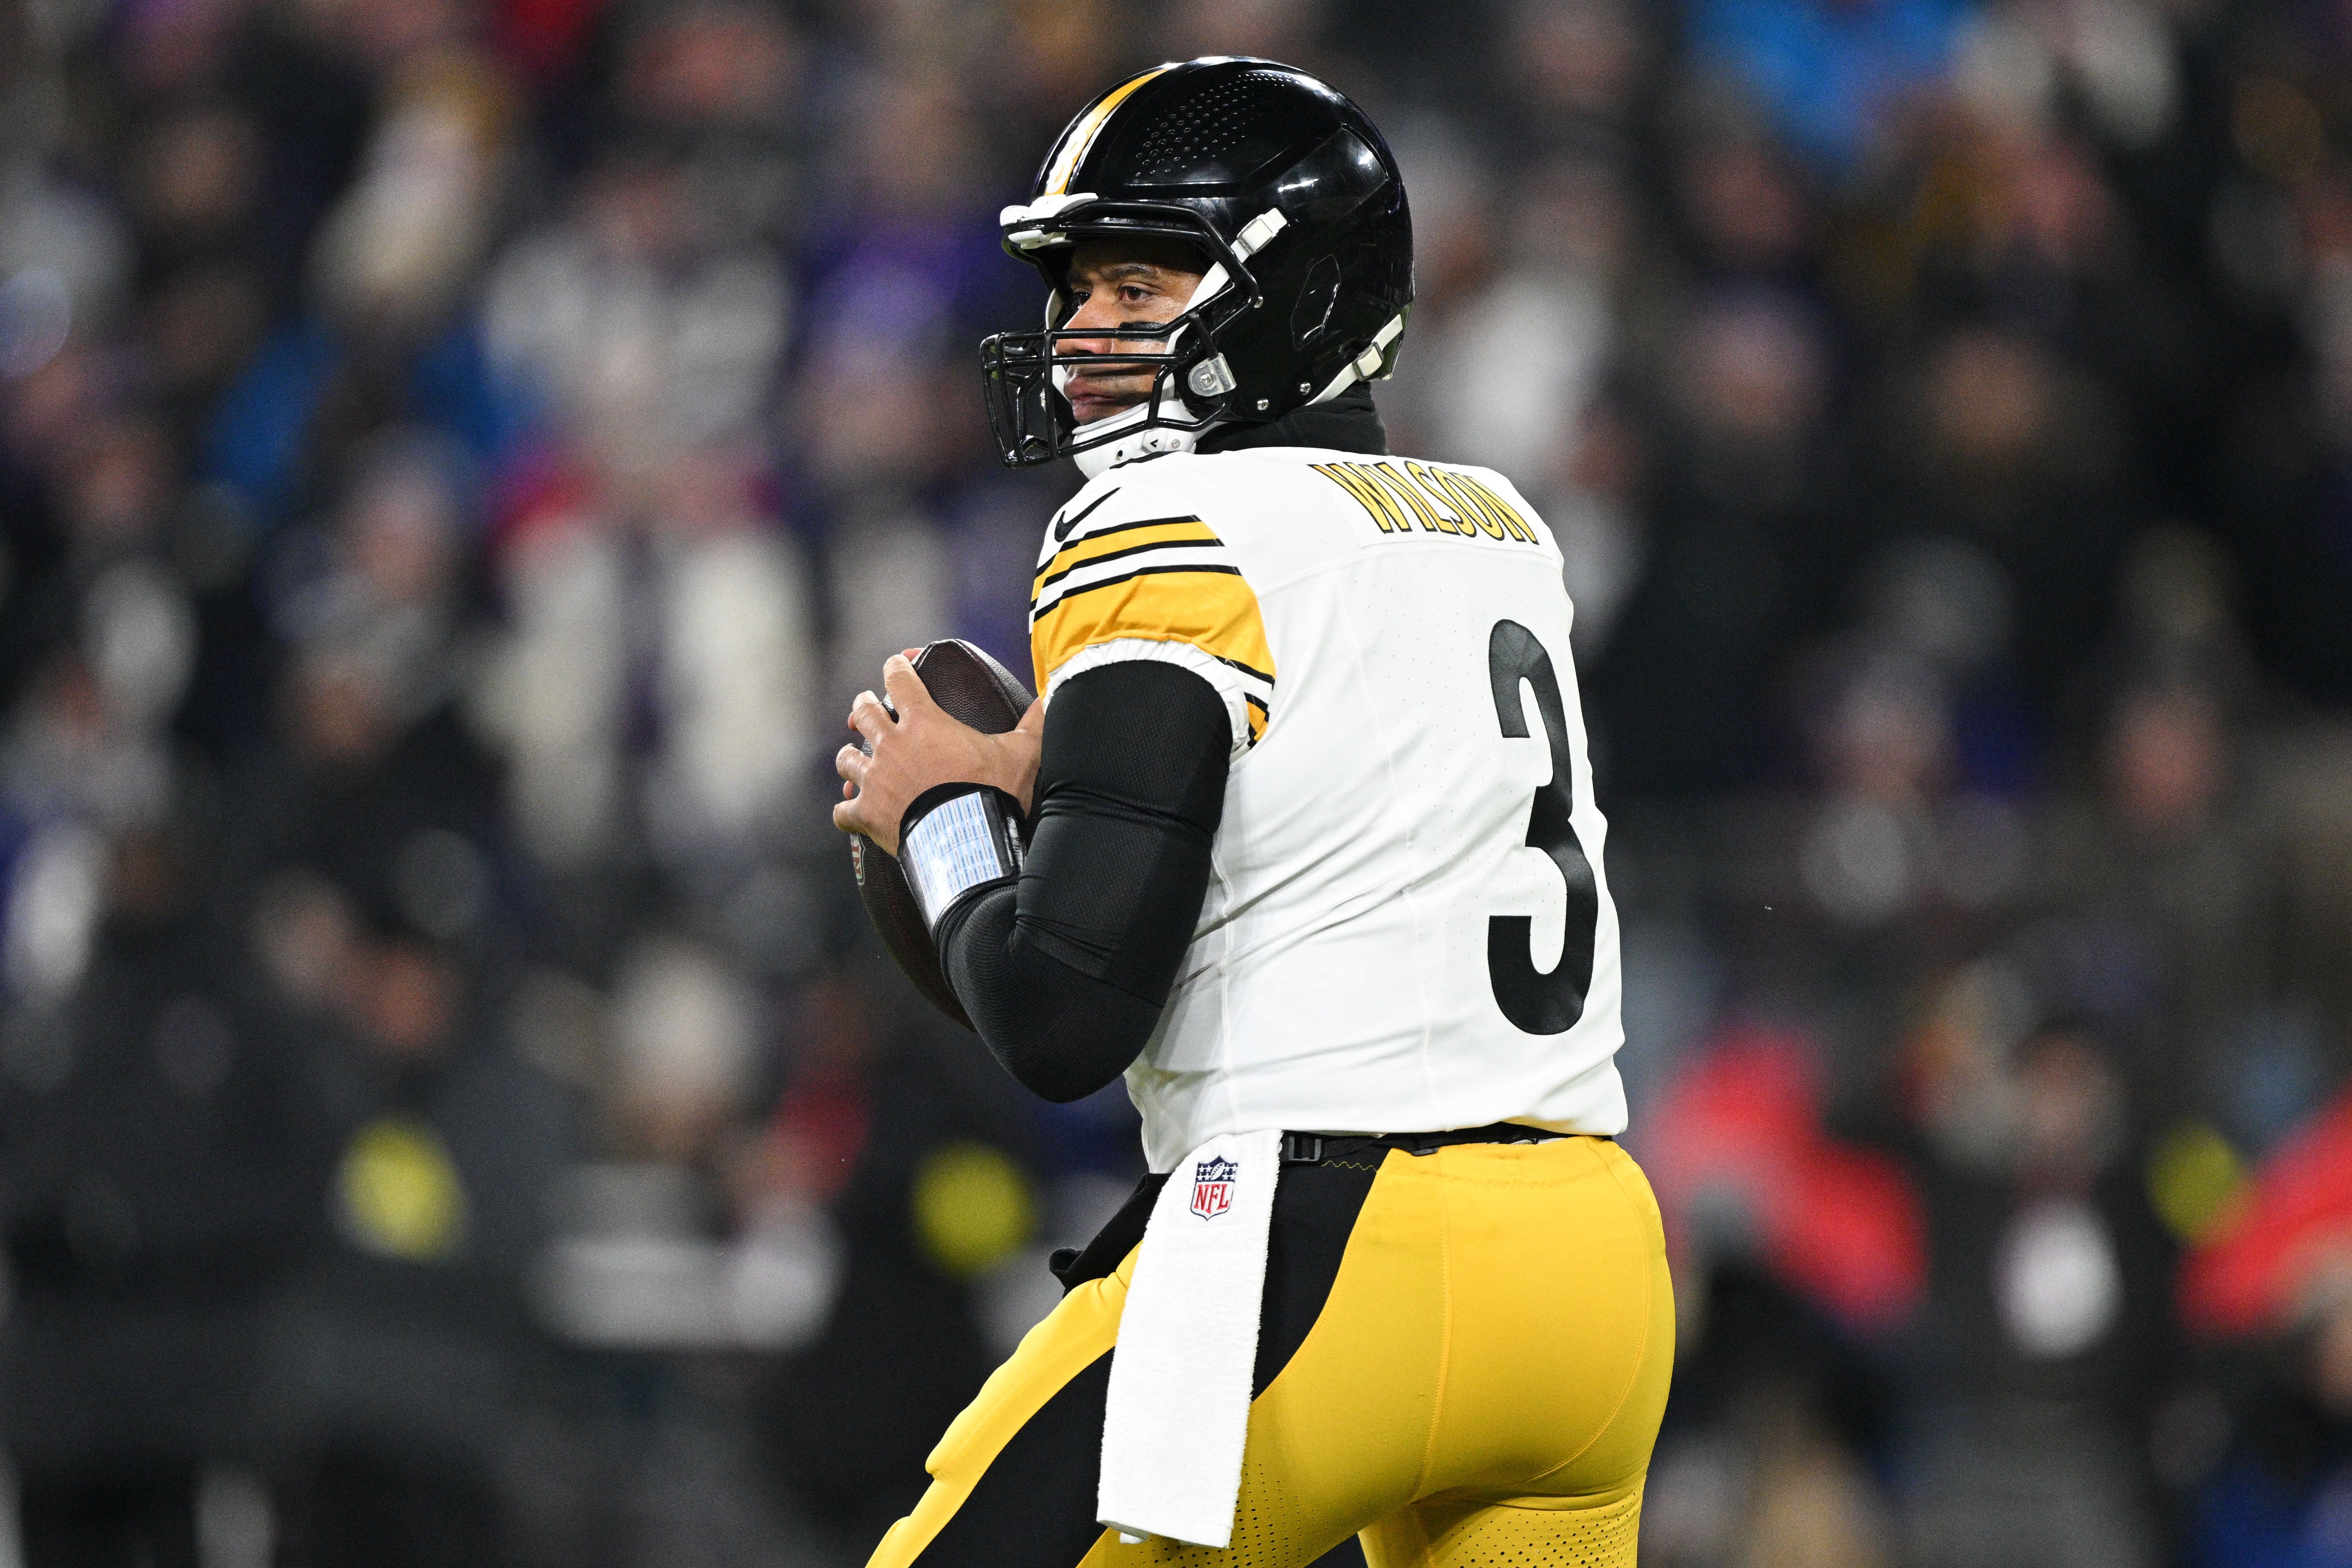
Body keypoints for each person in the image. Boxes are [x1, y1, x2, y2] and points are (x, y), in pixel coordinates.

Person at [832, 57, 1672, 1567]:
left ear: (1297, 301)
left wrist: (937, 819)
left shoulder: (1163, 525)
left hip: (1327, 1251)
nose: (1086, 332)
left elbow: (1059, 1015)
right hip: (1587, 1266)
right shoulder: (1498, 525)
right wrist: (1076, 779)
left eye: (1141, 284)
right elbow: (1323, 819)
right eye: (1077, 286)